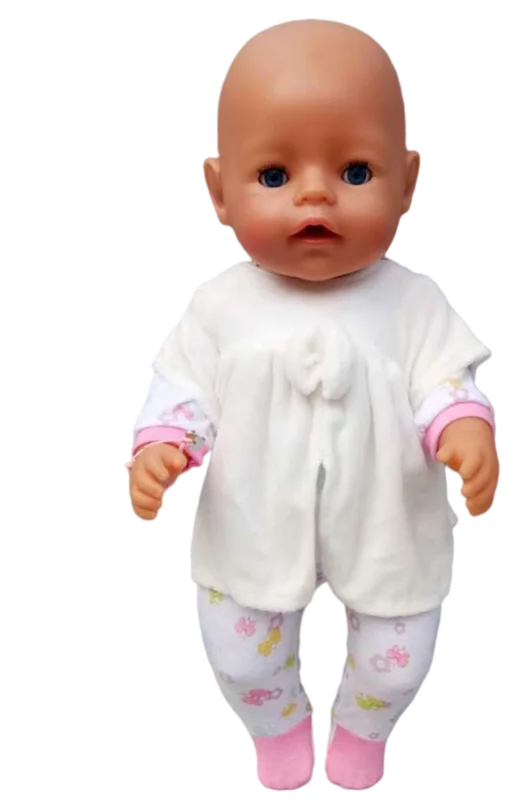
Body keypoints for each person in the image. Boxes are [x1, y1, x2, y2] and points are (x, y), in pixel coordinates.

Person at [125, 18, 500, 791]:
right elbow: (181, 389)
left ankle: (364, 728)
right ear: (217, 192)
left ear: (410, 183)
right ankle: (278, 725)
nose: (316, 192)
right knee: (238, 651)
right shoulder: (215, 306)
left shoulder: (416, 302)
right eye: (274, 175)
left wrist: (464, 426)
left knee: (400, 658)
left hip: (385, 519)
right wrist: (163, 445)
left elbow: (447, 379)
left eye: (356, 170)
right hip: (253, 520)